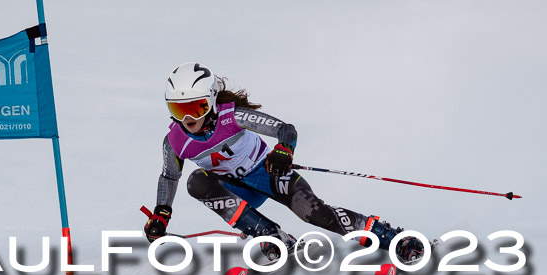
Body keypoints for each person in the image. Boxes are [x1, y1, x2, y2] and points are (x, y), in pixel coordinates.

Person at [144, 62, 423, 262]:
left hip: (269, 174)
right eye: (178, 109)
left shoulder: (234, 117)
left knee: (313, 213)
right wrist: (161, 213)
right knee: (197, 182)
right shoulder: (175, 141)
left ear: (213, 101)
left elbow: (285, 130)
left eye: (197, 108)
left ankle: (391, 238)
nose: (188, 119)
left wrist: (284, 151)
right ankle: (270, 235)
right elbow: (169, 177)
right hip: (237, 191)